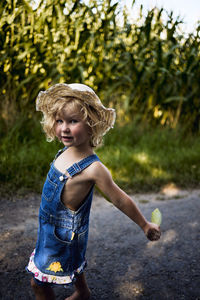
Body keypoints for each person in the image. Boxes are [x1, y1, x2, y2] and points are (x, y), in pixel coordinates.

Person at [26, 83, 161, 300]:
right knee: (74, 260)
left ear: (91, 125)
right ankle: (83, 292)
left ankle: (81, 291)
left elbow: (119, 199)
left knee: (38, 284)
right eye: (60, 121)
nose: (64, 128)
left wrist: (144, 224)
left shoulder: (94, 168)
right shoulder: (66, 150)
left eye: (73, 121)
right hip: (49, 229)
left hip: (63, 235)